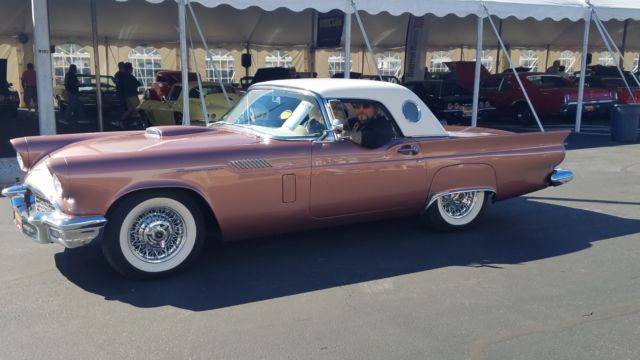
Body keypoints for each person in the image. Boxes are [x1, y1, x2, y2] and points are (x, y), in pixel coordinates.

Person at [117, 62, 142, 128]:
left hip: (126, 96)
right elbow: (138, 83)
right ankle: (139, 123)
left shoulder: (121, 76)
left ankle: (121, 121)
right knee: (138, 109)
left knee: (130, 109)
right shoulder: (130, 76)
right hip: (132, 95)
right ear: (130, 69)